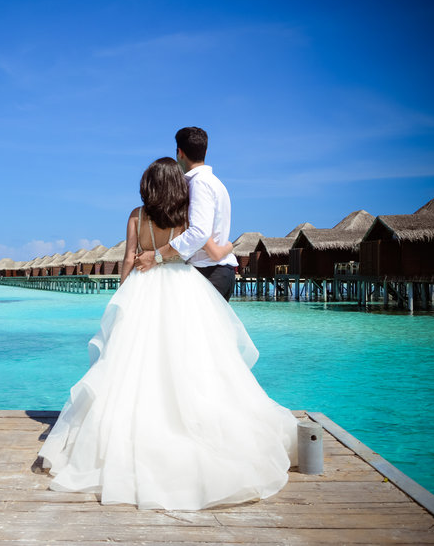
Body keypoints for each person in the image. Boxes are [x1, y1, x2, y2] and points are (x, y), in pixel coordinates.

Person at [38, 157, 298, 511]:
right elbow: (199, 247)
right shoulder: (186, 217)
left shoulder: (137, 215)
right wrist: (219, 252)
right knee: (191, 358)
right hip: (183, 286)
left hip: (144, 287)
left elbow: (129, 257)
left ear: (147, 184)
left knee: (134, 362)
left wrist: (123, 294)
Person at [135, 127, 237, 300]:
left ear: (179, 153)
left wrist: (156, 256)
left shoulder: (198, 184)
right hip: (218, 270)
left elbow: (199, 233)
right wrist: (227, 247)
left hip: (208, 273)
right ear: (205, 151)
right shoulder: (216, 183)